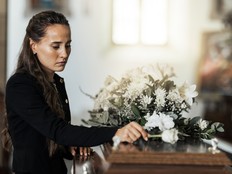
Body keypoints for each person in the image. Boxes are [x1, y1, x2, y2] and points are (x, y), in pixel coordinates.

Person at [1, 10, 148, 174]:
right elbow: (58, 130)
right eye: (56, 46)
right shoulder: (20, 85)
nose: (64, 53)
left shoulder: (56, 82)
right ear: (33, 45)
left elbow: (49, 136)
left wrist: (68, 146)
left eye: (68, 45)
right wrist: (116, 132)